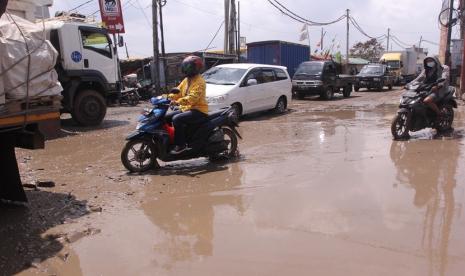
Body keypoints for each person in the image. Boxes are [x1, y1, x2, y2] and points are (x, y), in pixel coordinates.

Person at [168, 55, 208, 154]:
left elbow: (193, 98)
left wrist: (178, 101)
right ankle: (171, 140)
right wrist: (166, 97)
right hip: (187, 108)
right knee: (166, 117)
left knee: (176, 119)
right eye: (185, 66)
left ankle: (181, 145)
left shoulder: (200, 82)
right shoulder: (186, 80)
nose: (186, 69)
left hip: (199, 110)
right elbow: (178, 92)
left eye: (188, 67)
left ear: (196, 68)